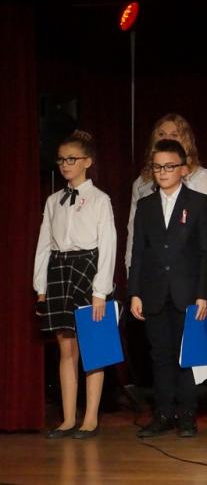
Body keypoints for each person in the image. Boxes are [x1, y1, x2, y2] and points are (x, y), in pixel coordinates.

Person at [34, 130, 117, 439]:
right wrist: (41, 287)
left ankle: (90, 418)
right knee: (66, 348)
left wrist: (100, 291)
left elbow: (108, 245)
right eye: (61, 160)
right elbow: (44, 244)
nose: (65, 165)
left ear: (87, 161)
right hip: (59, 269)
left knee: (94, 347)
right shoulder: (53, 201)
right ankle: (68, 418)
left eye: (72, 159)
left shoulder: (100, 199)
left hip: (88, 269)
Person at [128, 139, 207, 438]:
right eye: (158, 167)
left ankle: (187, 414)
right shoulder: (146, 205)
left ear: (184, 169)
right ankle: (163, 413)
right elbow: (138, 252)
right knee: (160, 355)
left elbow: (206, 253)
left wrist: (204, 293)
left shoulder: (198, 203)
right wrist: (135, 292)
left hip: (187, 292)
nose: (163, 172)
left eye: (169, 166)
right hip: (154, 291)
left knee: (187, 356)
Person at [125, 113, 207, 273]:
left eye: (174, 135)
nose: (167, 138)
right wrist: (130, 268)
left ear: (186, 141)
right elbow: (133, 232)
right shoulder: (141, 184)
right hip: (153, 272)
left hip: (188, 272)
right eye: (161, 134)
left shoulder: (201, 178)